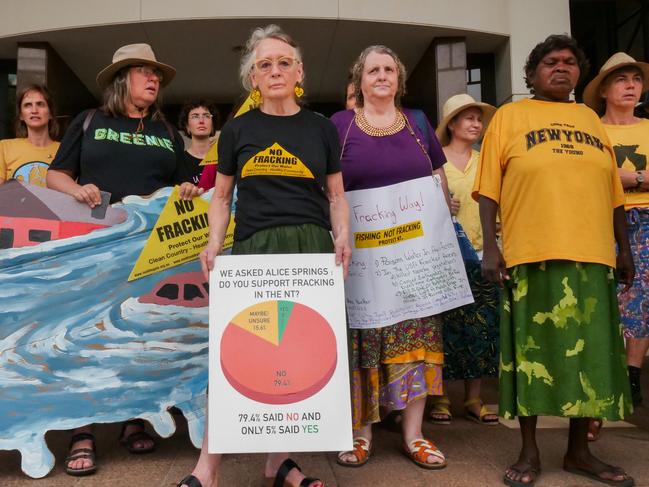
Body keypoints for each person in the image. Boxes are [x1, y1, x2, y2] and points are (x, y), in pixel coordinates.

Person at [178, 25, 350, 487]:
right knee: (235, 354)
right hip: (254, 249)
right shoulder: (237, 130)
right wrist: (214, 242)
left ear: (300, 72)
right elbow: (221, 196)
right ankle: (207, 468)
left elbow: (336, 195)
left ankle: (279, 463)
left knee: (295, 358)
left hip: (311, 251)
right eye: (264, 65)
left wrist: (343, 237)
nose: (275, 71)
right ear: (252, 78)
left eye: (284, 62)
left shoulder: (320, 128)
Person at [474, 34, 635, 487]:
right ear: (531, 73)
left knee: (590, 356)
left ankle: (579, 452)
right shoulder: (510, 116)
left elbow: (613, 192)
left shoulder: (588, 118)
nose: (560, 68)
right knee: (531, 353)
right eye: (550, 62)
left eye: (569, 62)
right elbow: (487, 188)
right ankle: (528, 452)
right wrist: (491, 246)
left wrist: (623, 248)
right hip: (532, 252)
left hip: (593, 252)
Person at [46, 42, 202, 476]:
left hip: (149, 253)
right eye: (143, 72)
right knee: (85, 335)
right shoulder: (90, 121)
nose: (153, 80)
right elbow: (54, 173)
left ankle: (136, 416)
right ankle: (83, 430)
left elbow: (185, 186)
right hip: (94, 245)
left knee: (138, 334)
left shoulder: (167, 132)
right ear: (122, 79)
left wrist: (187, 190)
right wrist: (76, 190)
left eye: (156, 75)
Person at [332, 45, 449, 470]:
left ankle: (414, 434)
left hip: (415, 257)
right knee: (365, 339)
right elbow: (330, 188)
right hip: (363, 256)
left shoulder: (418, 123)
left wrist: (443, 230)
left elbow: (438, 180)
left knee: (417, 340)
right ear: (359, 80)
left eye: (388, 70)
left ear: (398, 79)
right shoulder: (341, 125)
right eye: (372, 70)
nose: (381, 76)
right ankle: (361, 434)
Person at [582, 52, 649, 441]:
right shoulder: (593, 129)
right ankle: (599, 401)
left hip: (646, 221)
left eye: (635, 79)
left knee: (641, 299)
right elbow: (591, 175)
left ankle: (632, 376)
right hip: (603, 219)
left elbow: (613, 175)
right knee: (604, 302)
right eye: (621, 79)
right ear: (604, 89)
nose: (630, 85)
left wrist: (630, 176)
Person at [427, 93, 499, 426]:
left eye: (477, 118)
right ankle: (440, 396)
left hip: (484, 251)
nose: (475, 124)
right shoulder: (434, 160)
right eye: (467, 118)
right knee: (446, 325)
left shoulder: (487, 160)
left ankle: (474, 397)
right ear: (452, 124)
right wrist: (439, 203)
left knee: (482, 326)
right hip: (445, 255)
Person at [0, 84, 59, 186]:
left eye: (40, 104)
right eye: (28, 105)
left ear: (50, 113)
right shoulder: (4, 147)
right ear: (21, 115)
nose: (34, 111)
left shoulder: (64, 149)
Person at [179, 100, 220, 185]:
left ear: (212, 126)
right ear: (187, 126)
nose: (201, 121)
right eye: (195, 116)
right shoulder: (179, 160)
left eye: (206, 116)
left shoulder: (223, 158)